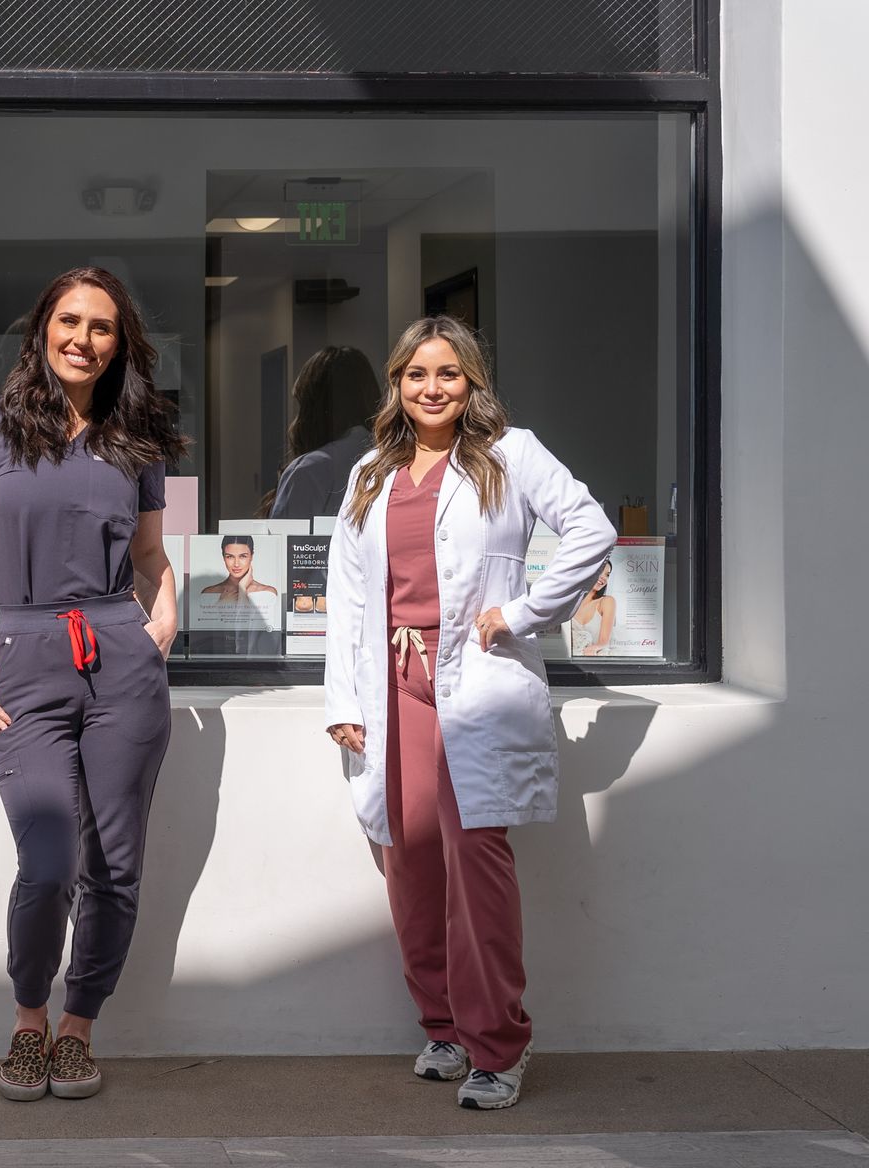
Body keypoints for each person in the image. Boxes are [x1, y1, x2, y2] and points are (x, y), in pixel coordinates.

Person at [322, 314, 612, 1111]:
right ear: (397, 384)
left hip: (474, 687)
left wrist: (521, 613)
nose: (432, 388)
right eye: (417, 375)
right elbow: (350, 597)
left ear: (472, 381)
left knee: (476, 862)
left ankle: (500, 1046)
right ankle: (444, 1028)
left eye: (448, 373)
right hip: (394, 686)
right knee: (409, 860)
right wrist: (344, 699)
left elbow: (592, 527)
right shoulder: (371, 474)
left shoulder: (510, 457)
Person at [0, 266, 185, 1102]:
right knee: (47, 860)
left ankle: (79, 1028)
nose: (83, 339)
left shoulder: (137, 433)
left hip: (121, 655)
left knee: (114, 865)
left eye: (103, 327)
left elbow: (152, 556)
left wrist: (163, 622)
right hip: (26, 657)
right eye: (70, 321)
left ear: (122, 344)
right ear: (43, 328)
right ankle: (28, 1019)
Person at [272, 346, 381, 519]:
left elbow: (284, 543)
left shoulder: (308, 469)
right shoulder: (390, 458)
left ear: (311, 408)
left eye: (301, 404)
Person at [198, 533, 282, 630]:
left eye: (243, 556)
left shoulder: (267, 593)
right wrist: (220, 605)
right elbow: (205, 632)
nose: (236, 564)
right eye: (230, 556)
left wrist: (242, 589)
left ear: (252, 556)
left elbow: (256, 632)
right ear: (223, 557)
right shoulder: (208, 593)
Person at [570, 560, 616, 656]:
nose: (604, 578)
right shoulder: (570, 604)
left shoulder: (606, 601)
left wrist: (594, 649)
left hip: (597, 661)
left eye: (607, 575)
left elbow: (603, 642)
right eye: (600, 572)